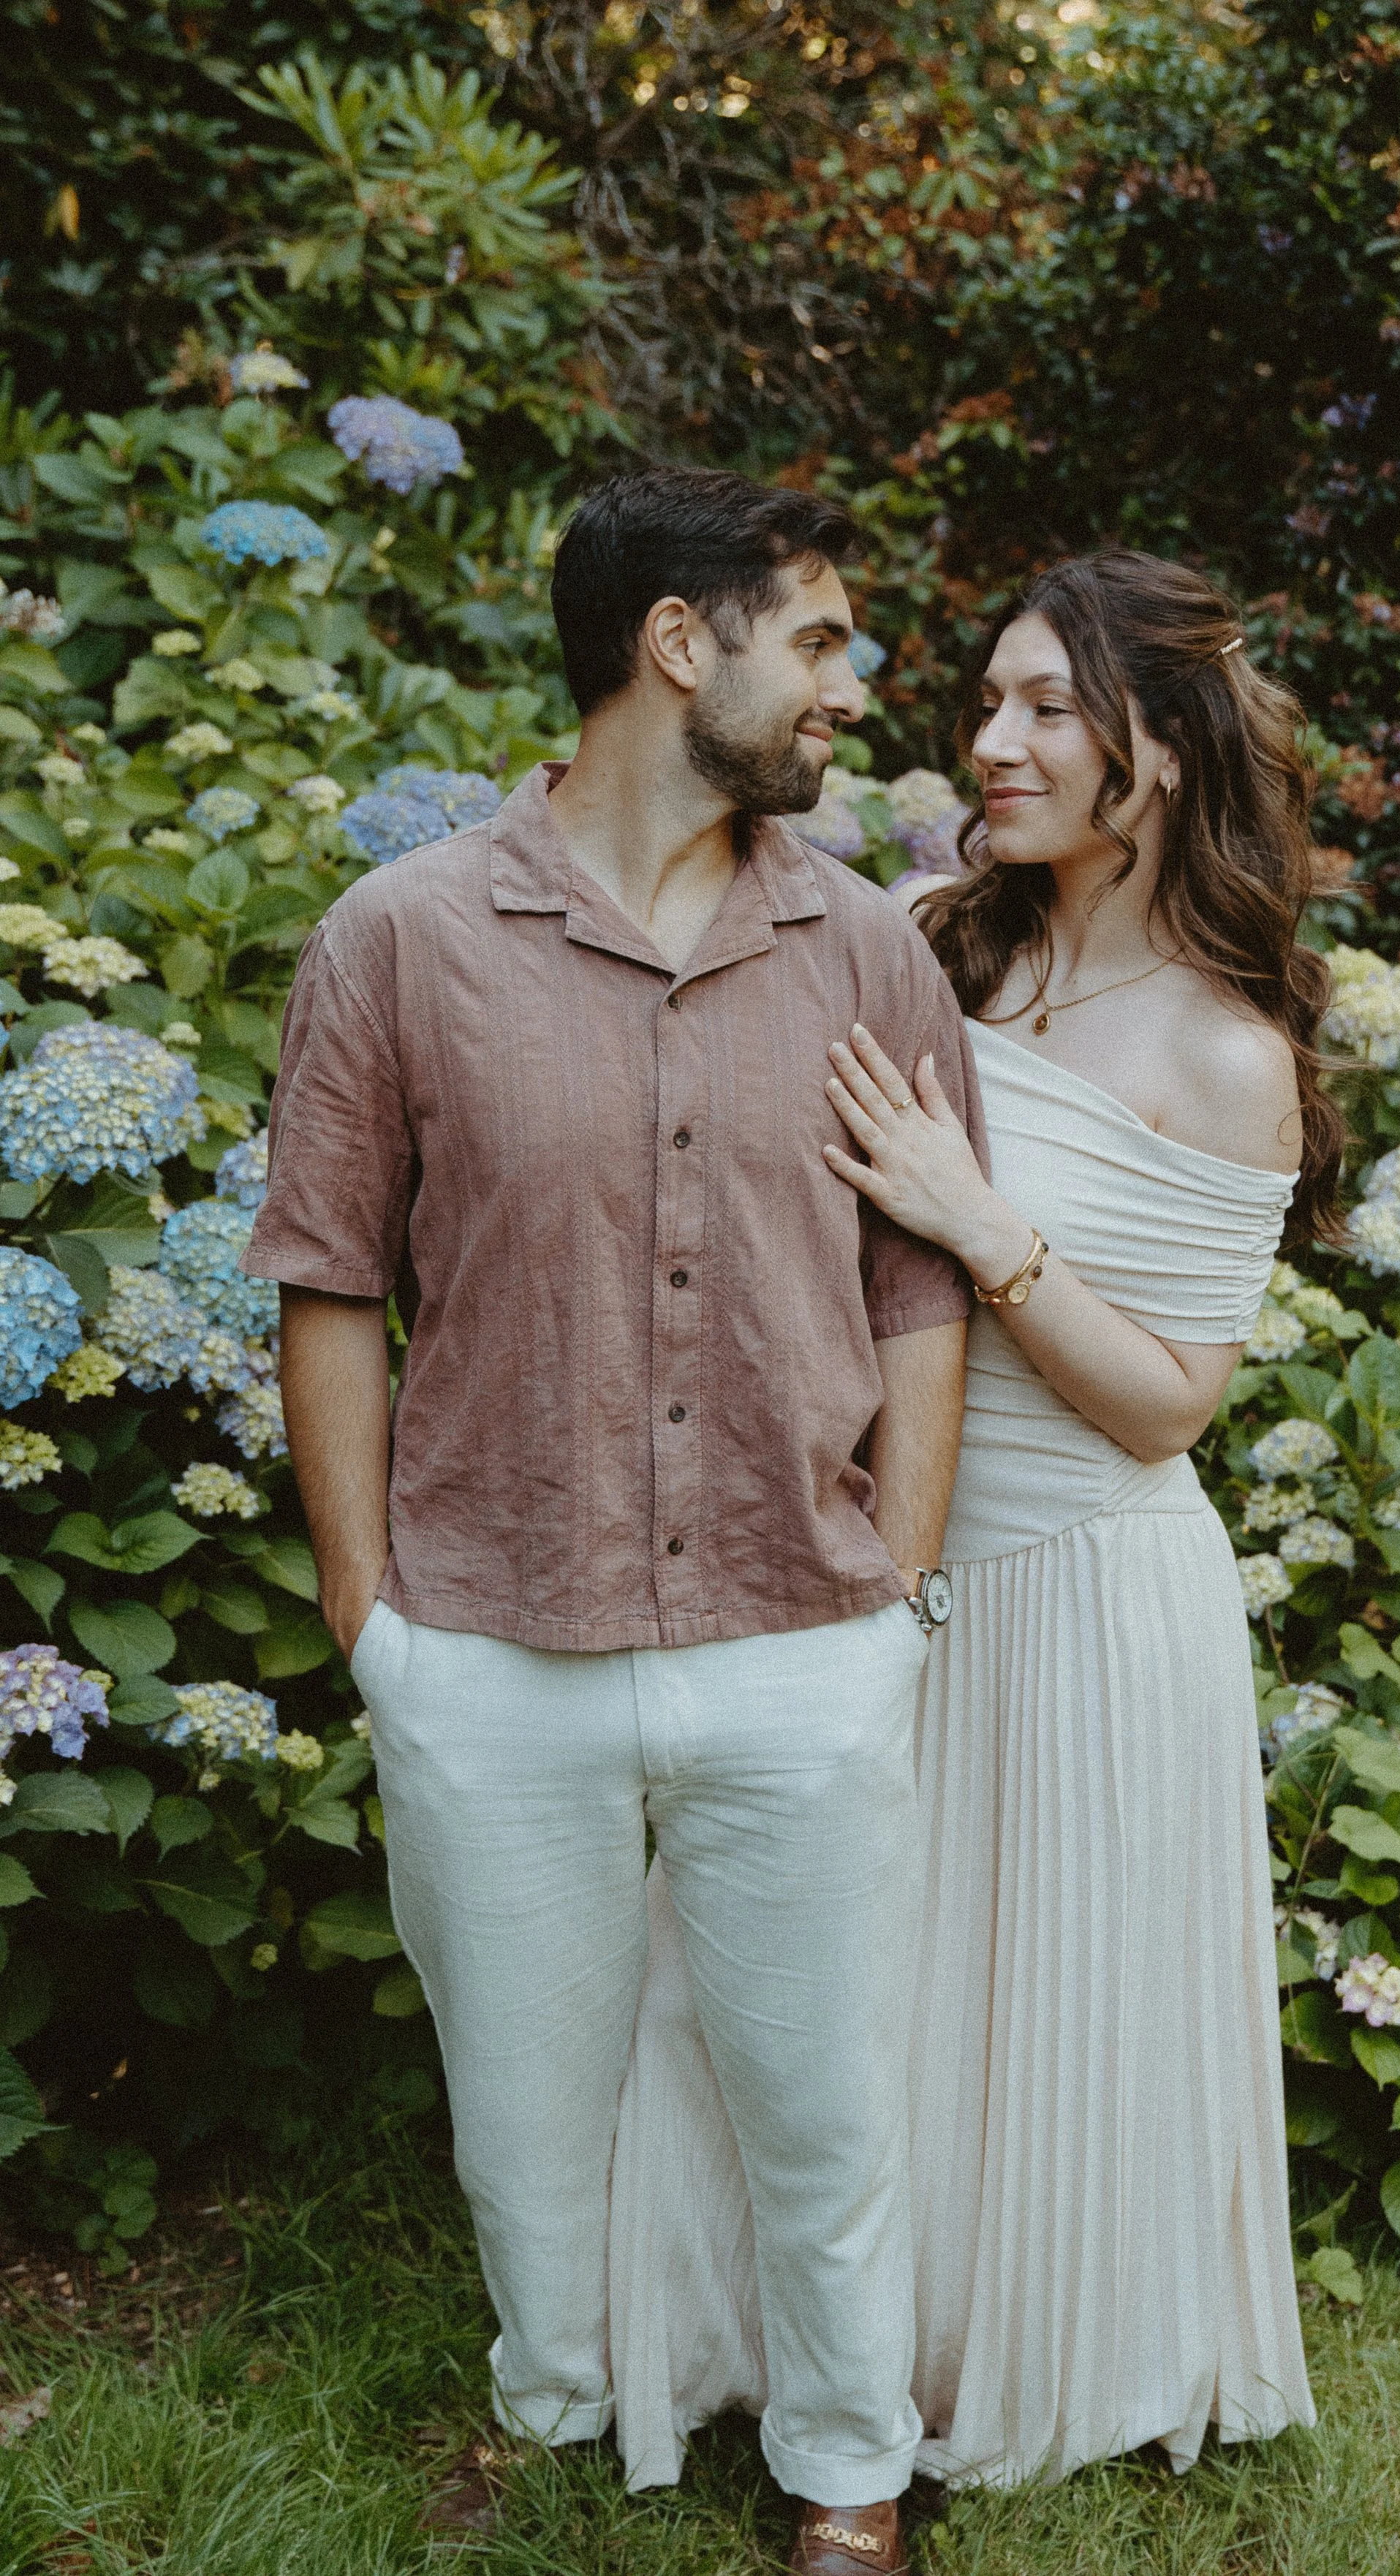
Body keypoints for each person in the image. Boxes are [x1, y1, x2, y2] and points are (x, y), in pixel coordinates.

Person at [243, 466, 986, 2575]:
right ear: (682, 644)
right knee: (524, 2115)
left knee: (824, 2102)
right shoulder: (397, 944)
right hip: (493, 1645)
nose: (852, 682)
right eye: (820, 637)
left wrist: (899, 1593)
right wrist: (374, 1622)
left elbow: (917, 1287)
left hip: (800, 1632)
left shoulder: (862, 948)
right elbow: (324, 1281)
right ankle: (557, 2394)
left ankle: (848, 2470)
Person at [607, 547, 1334, 2488]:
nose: (985, 741)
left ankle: (1013, 2344)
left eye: (1040, 709)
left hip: (1088, 1576)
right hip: (879, 1543)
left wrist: (974, 1214)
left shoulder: (1223, 1047)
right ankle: (797, 2337)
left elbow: (1170, 1401)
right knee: (815, 1966)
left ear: (1157, 753)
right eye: (986, 702)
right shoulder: (938, 947)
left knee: (1028, 2003)